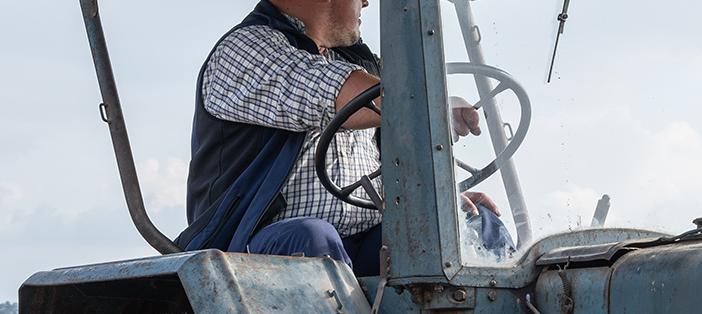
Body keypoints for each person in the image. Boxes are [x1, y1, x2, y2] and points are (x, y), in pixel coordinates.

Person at [179, 0, 511, 276]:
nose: (367, 1)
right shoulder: (246, 51)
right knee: (311, 237)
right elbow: (344, 96)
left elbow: (397, 115)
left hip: (360, 242)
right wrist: (433, 107)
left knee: (465, 222)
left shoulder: (358, 62)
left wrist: (441, 198)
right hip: (250, 251)